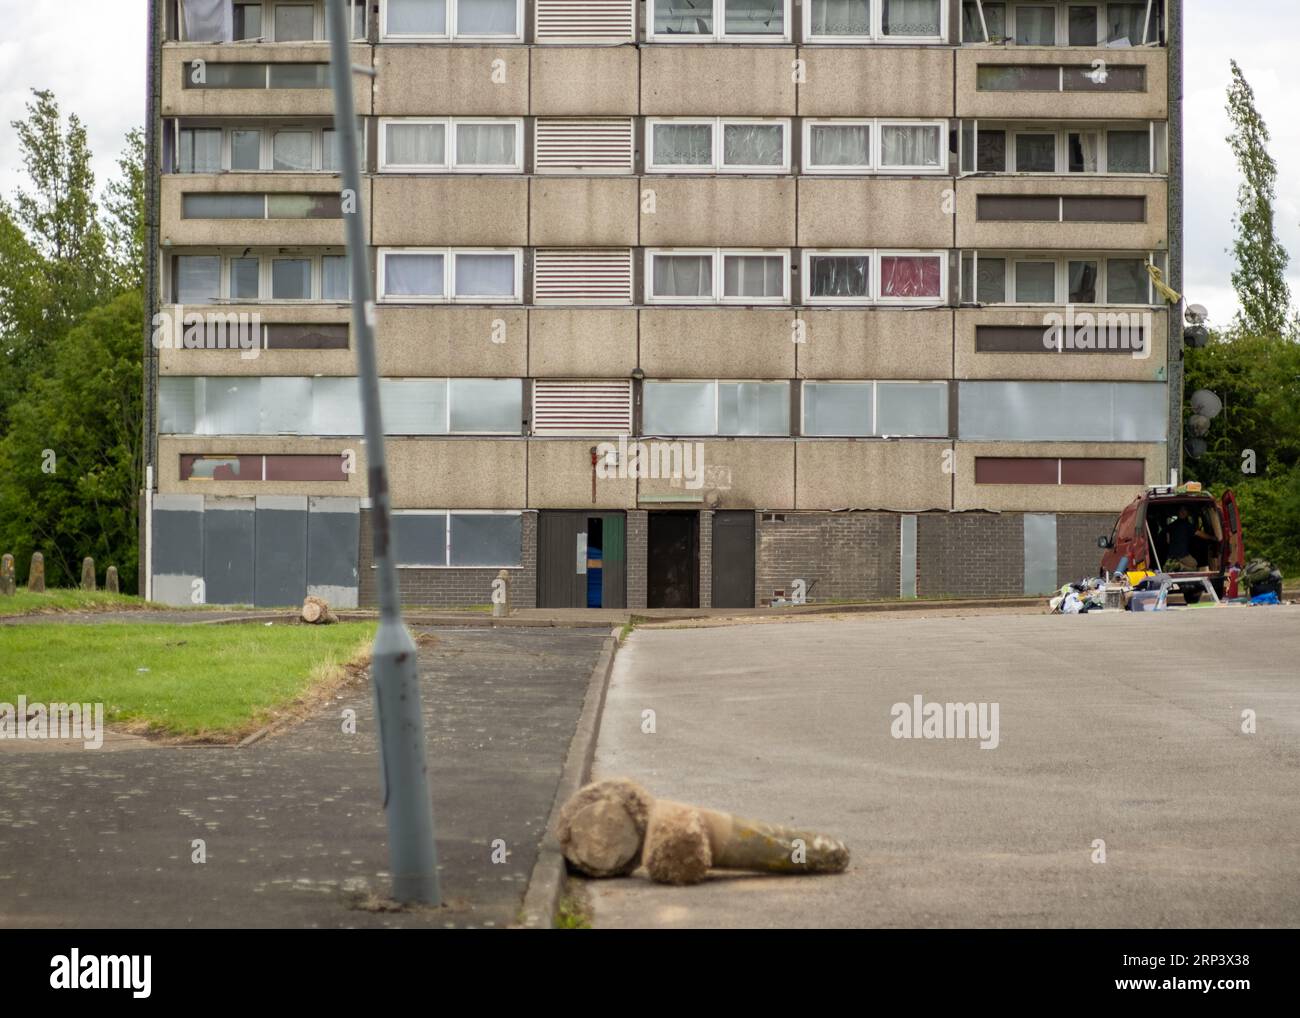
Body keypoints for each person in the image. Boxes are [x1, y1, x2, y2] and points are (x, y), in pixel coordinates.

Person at [1164, 506, 1215, 571]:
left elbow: (1168, 541)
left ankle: (1176, 565)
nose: (1183, 512)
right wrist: (1212, 538)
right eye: (1182, 511)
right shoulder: (1187, 525)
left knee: (1169, 568)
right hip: (1182, 555)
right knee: (1195, 565)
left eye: (1184, 510)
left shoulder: (1170, 525)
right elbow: (1200, 534)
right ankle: (1180, 566)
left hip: (1171, 556)